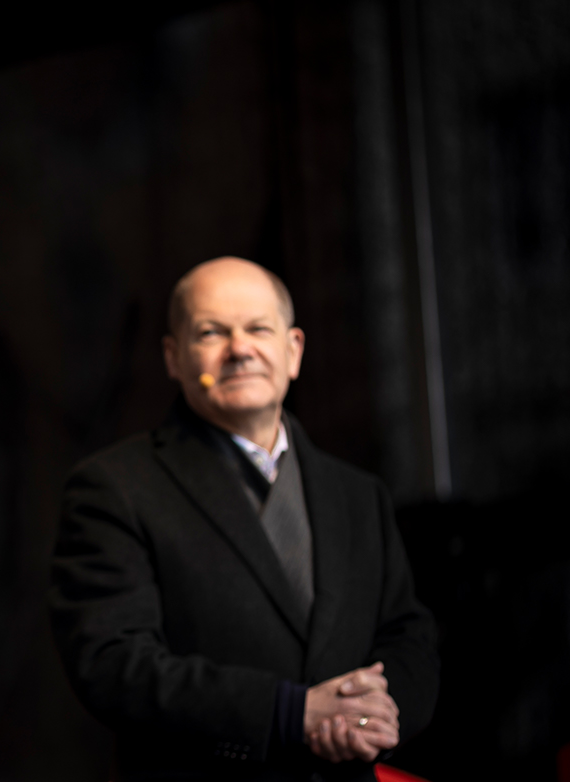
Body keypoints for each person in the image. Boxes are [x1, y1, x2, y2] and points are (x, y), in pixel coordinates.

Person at [49, 257, 438, 781]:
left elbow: (408, 633)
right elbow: (113, 664)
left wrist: (377, 713)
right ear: (173, 356)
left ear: (293, 350)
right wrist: (290, 714)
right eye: (212, 332)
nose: (240, 350)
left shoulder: (357, 494)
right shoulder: (115, 487)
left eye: (259, 328)